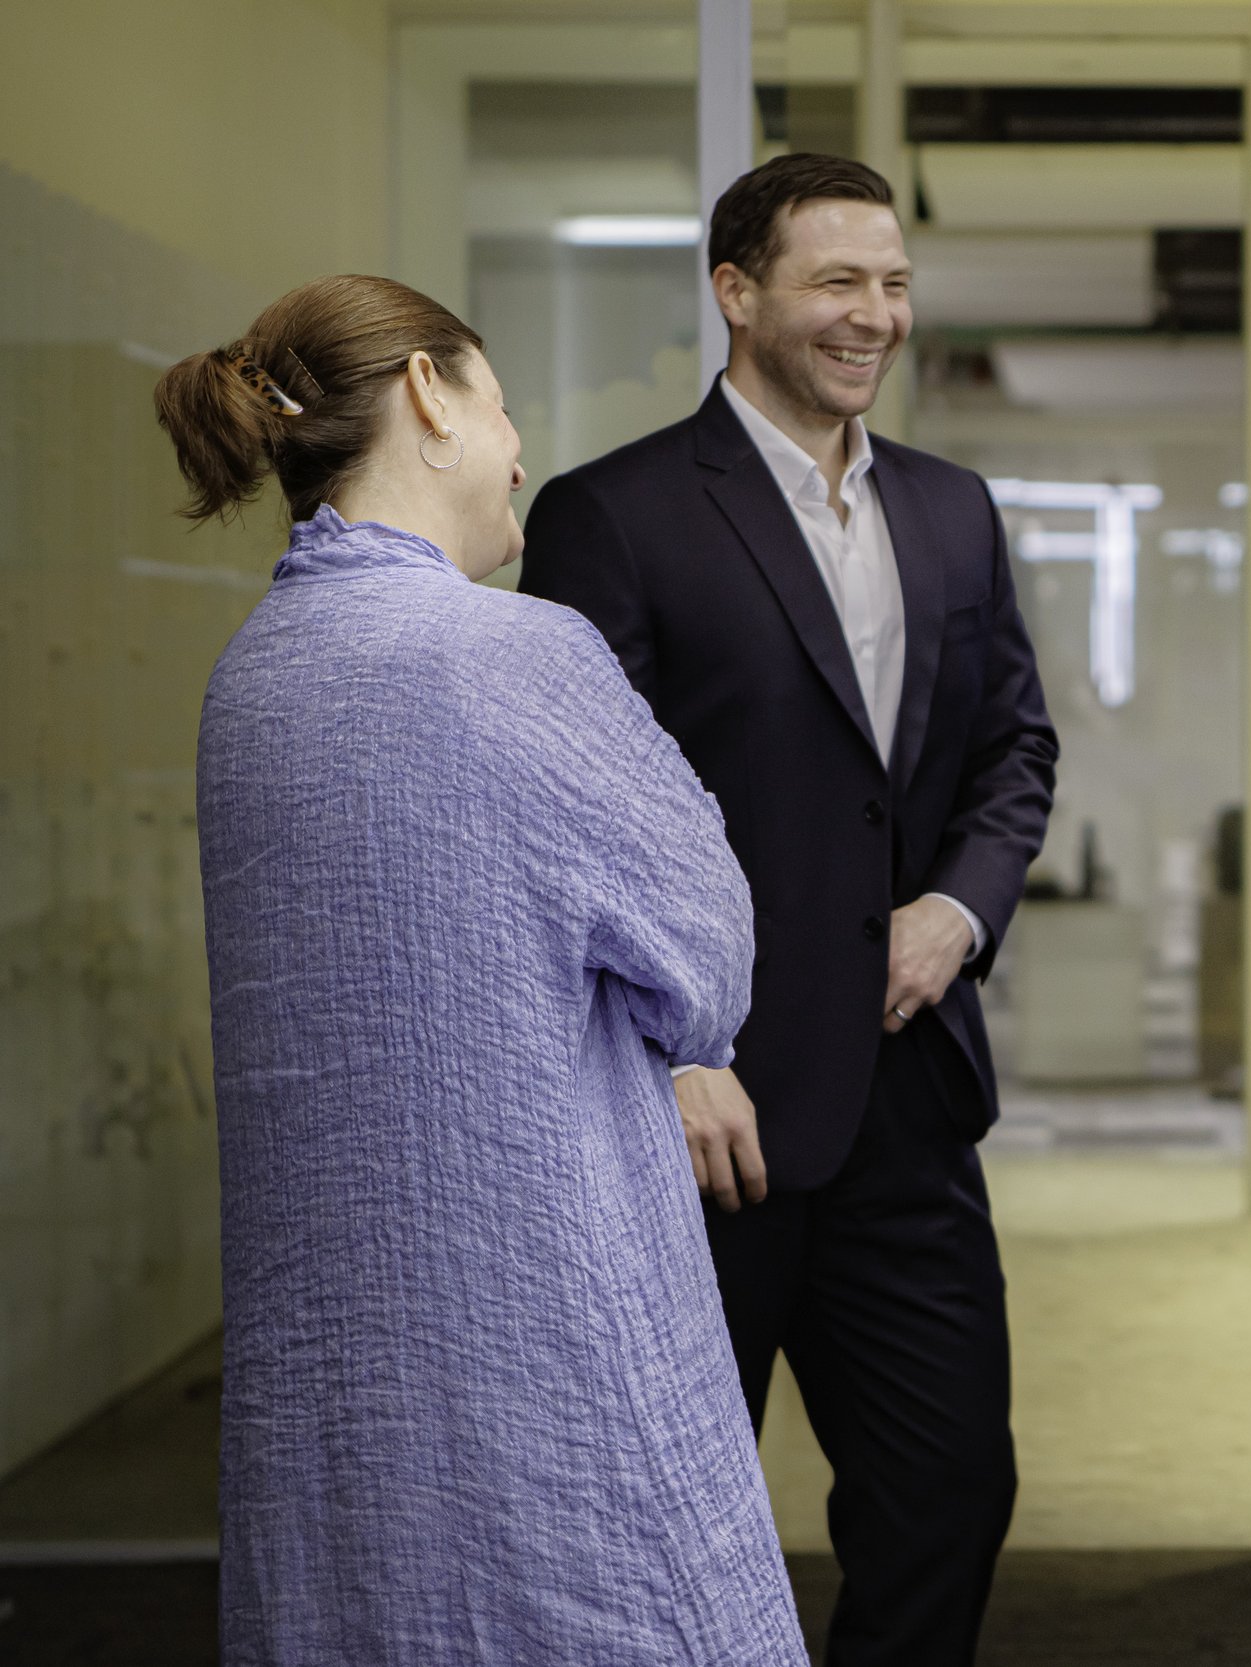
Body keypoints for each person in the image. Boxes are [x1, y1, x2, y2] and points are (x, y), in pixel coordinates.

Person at [167, 275, 805, 1665]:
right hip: (541, 1314)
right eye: (503, 407)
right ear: (427, 396)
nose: (520, 453)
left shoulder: (250, 678)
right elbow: (704, 961)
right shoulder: (515, 653)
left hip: (334, 1356)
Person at [519, 153, 1055, 1667]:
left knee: (949, 1492)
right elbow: (579, 812)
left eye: (893, 282)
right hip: (705, 1120)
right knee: (667, 1523)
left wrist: (957, 907)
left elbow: (1013, 750)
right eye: (836, 281)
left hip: (907, 1100)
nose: (873, 314)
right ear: (737, 292)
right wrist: (674, 1049)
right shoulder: (612, 515)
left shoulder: (951, 511)